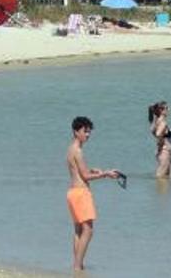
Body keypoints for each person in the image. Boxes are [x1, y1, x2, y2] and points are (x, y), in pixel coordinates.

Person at [66, 116, 120, 272]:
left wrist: (94, 170)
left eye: (89, 132)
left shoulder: (71, 149)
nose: (88, 135)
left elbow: (79, 172)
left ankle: (77, 265)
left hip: (72, 192)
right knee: (88, 230)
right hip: (81, 193)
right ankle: (77, 266)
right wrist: (106, 174)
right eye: (85, 131)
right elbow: (85, 177)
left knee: (78, 230)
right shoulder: (77, 151)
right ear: (76, 132)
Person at [149, 102, 171, 179]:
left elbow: (155, 131)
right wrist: (161, 143)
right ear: (161, 111)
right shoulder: (163, 123)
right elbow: (158, 134)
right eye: (167, 108)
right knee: (161, 178)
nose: (169, 110)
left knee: (166, 178)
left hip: (162, 151)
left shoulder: (156, 121)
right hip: (164, 151)